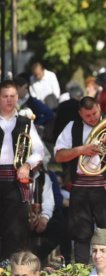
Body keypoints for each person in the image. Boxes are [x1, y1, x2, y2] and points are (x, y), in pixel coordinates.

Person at [54, 96, 106, 264]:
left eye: (94, 113)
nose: (92, 118)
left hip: (105, 185)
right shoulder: (72, 127)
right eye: (87, 116)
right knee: (80, 234)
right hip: (80, 185)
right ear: (80, 114)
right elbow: (58, 156)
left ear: (99, 108)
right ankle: (81, 271)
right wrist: (80, 150)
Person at [0, 80, 44, 260]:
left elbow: (39, 151)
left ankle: (12, 268)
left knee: (15, 229)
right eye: (5, 96)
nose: (9, 100)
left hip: (16, 179)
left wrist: (27, 165)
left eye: (12, 96)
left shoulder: (26, 122)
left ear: (17, 97)